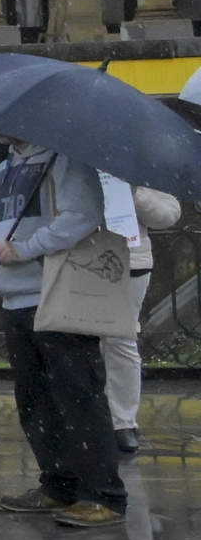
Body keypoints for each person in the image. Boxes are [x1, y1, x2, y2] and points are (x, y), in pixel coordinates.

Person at [0, 142, 126, 528]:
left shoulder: (66, 159)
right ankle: (58, 484)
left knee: (77, 396)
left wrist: (25, 250)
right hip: (15, 299)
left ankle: (102, 495)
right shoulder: (5, 167)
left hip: (57, 295)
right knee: (36, 401)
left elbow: (84, 215)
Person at [104, 183, 181, 455]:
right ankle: (84, 416)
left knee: (119, 337)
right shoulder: (70, 157)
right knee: (74, 336)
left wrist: (133, 194)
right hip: (75, 256)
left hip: (130, 261)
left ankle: (122, 422)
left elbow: (168, 214)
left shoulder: (136, 160)